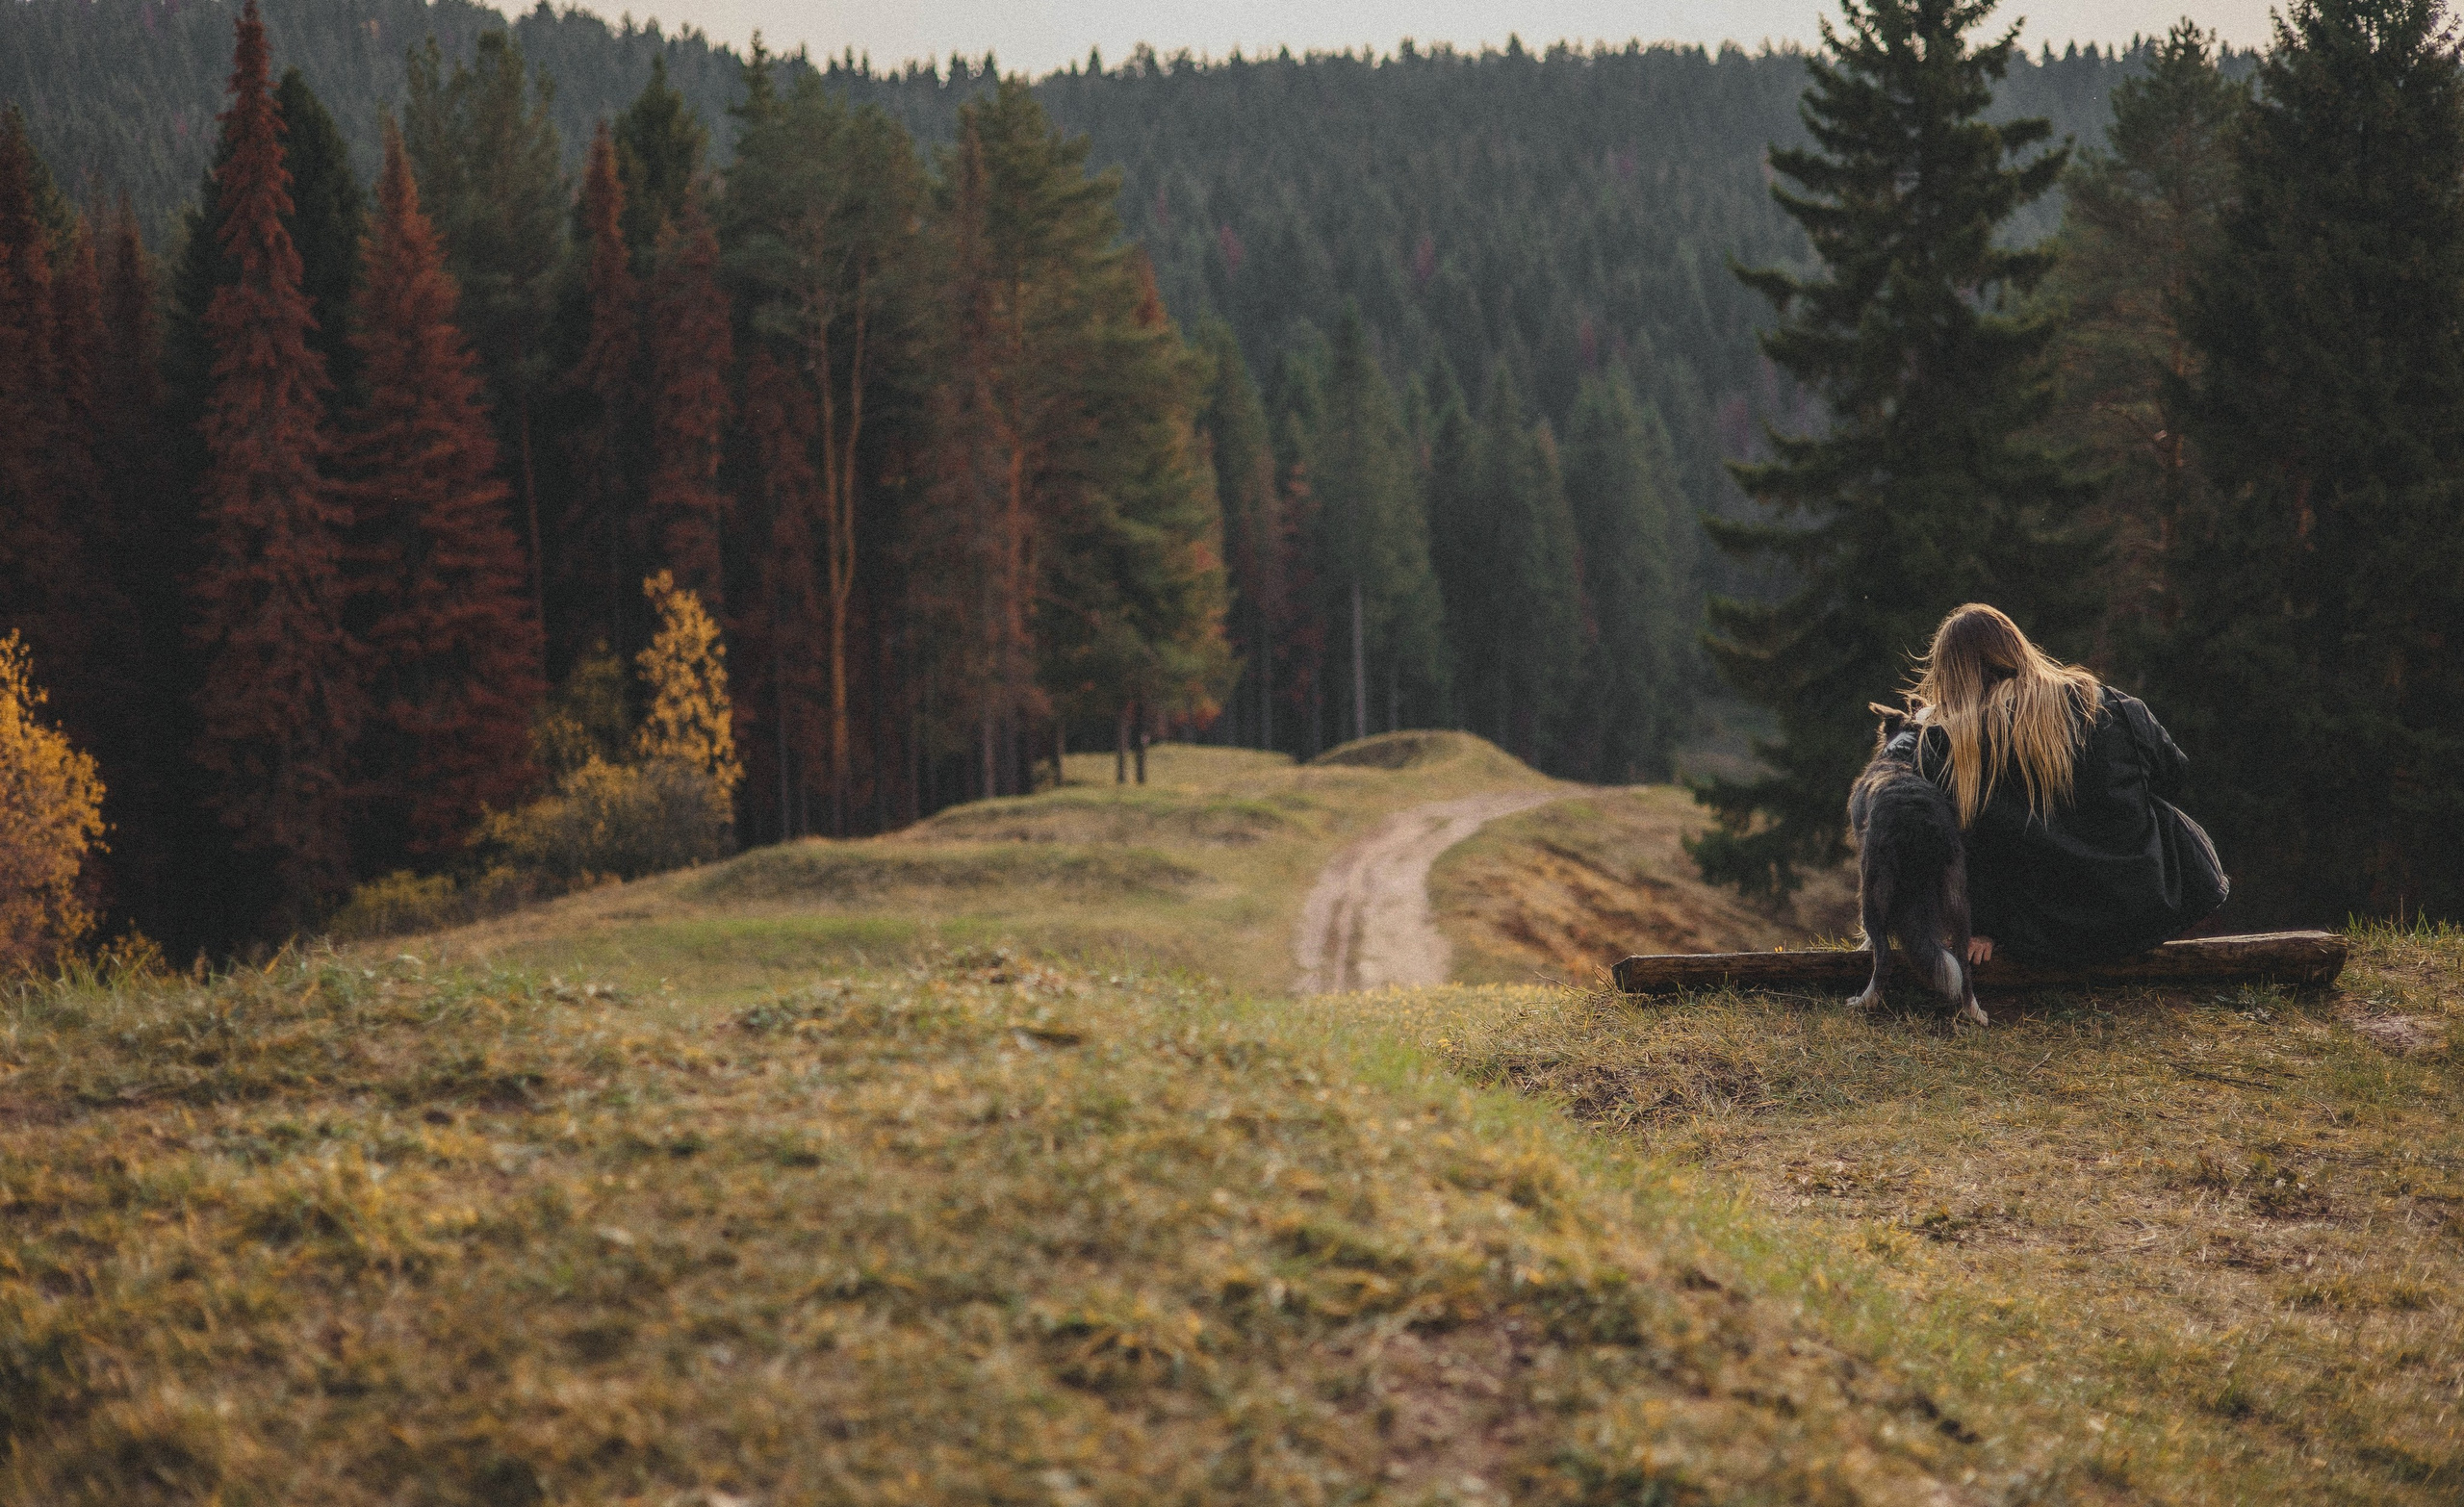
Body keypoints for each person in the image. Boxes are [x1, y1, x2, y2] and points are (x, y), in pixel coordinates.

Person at [1891, 603, 2227, 965]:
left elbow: (1952, 848)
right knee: (2158, 807)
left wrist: (1981, 925)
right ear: (2017, 650)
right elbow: (2173, 776)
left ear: (1948, 674)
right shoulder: (2112, 706)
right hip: (2139, 911)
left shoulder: (1943, 747)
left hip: (2036, 932)